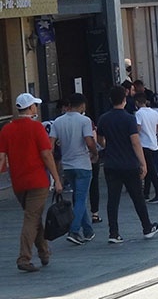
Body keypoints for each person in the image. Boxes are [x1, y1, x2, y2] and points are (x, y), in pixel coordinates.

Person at [0, 93, 62, 272]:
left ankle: (44, 252)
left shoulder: (6, 129)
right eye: (35, 105)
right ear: (31, 108)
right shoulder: (37, 128)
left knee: (33, 216)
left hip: (18, 182)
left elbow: (2, 157)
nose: (36, 108)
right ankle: (24, 257)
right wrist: (57, 178)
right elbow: (46, 154)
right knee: (31, 218)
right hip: (38, 180)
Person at [97, 86, 158, 244]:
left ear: (111, 100)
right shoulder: (129, 118)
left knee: (113, 199)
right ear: (125, 100)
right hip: (129, 164)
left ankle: (114, 233)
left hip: (111, 164)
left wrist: (107, 146)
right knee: (137, 197)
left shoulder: (104, 118)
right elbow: (135, 142)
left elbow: (100, 140)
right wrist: (143, 163)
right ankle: (146, 227)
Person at [49, 93, 99, 246]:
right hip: (83, 163)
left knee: (78, 198)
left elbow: (50, 145)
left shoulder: (58, 121)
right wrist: (95, 153)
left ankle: (88, 229)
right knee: (81, 198)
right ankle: (74, 230)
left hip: (68, 165)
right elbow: (89, 141)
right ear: (82, 105)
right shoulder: (85, 120)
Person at [135, 93, 158, 204]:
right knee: (149, 169)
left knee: (151, 171)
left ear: (137, 103)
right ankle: (146, 193)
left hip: (144, 145)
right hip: (154, 144)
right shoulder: (154, 112)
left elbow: (137, 128)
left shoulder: (138, 114)